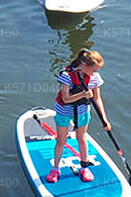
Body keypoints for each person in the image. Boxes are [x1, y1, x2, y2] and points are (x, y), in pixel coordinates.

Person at [45, 49, 110, 184]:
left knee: (82, 138)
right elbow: (66, 98)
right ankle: (55, 169)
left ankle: (84, 167)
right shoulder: (67, 76)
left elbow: (97, 99)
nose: (95, 73)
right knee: (61, 141)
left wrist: (104, 119)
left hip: (82, 110)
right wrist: (83, 94)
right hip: (64, 110)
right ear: (84, 66)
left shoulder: (95, 78)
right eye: (93, 70)